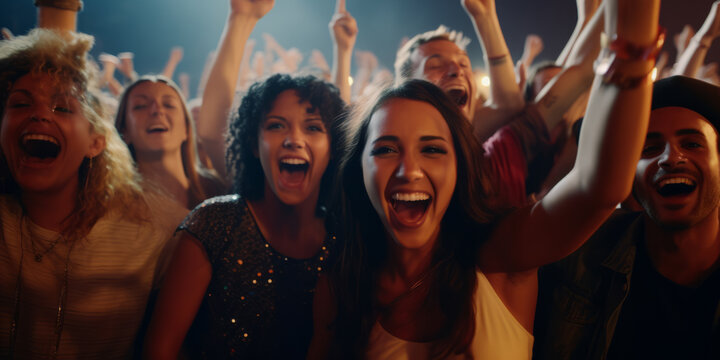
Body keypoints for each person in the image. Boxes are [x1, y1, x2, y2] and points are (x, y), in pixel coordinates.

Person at [308, 0, 663, 357]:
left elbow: (598, 187)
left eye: (432, 150)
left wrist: (632, 31)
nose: (410, 170)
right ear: (359, 168)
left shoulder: (501, 255)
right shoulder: (341, 288)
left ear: (462, 164)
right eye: (385, 150)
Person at [0, 26, 187, 358]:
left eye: (62, 108)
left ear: (95, 142)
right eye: (20, 104)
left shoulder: (154, 228)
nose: (39, 113)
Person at [142, 74, 347, 359]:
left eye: (313, 127)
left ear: (333, 149)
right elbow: (159, 351)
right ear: (254, 143)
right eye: (276, 125)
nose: (294, 140)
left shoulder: (344, 243)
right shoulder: (213, 224)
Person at [534, 76, 720, 360]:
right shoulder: (578, 252)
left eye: (692, 144)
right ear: (628, 174)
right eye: (649, 148)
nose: (671, 158)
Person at [394, 0, 603, 208]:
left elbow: (580, 70)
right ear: (406, 87)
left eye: (464, 63)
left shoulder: (502, 157)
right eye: (435, 64)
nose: (456, 70)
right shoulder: (391, 166)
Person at [114, 75, 226, 210]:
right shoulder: (112, 202)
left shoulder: (218, 192)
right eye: (141, 106)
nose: (157, 110)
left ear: (186, 128)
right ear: (124, 131)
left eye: (169, 105)